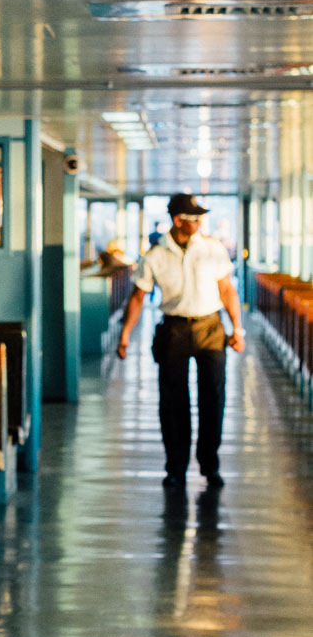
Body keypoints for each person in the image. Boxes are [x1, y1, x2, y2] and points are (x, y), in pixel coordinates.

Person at [116, 194, 245, 489]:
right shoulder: (155, 255)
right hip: (174, 330)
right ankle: (176, 468)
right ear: (178, 221)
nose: (199, 223)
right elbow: (137, 297)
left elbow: (227, 290)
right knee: (173, 401)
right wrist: (125, 335)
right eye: (194, 218)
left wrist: (238, 329)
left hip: (210, 327)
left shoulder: (213, 249)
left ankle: (209, 465)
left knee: (213, 396)